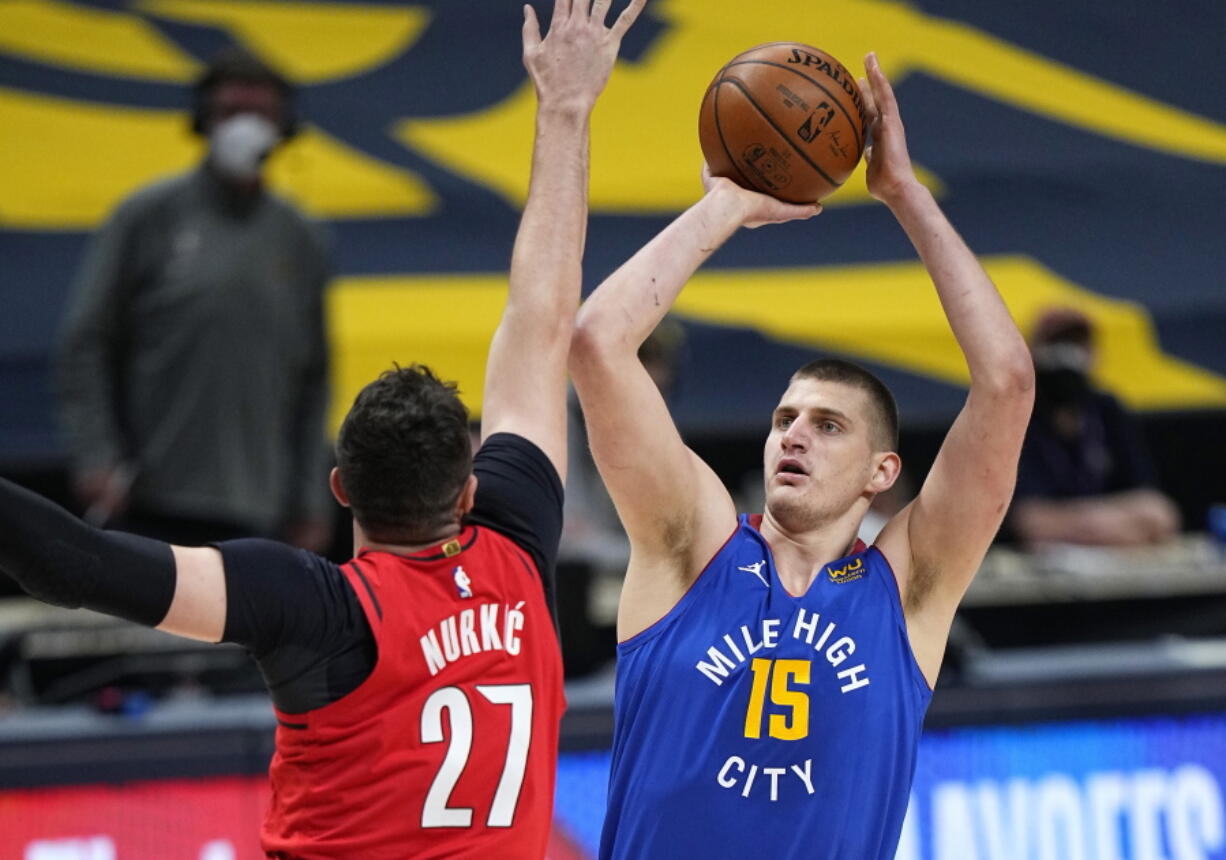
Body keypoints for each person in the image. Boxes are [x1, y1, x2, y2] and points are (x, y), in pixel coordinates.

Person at [2, 0, 644, 856]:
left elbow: (70, 561)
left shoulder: (317, 608)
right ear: (469, 486)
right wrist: (566, 111)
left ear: (341, 487)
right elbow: (542, 313)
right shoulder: (519, 545)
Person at [568, 53, 1035, 859]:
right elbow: (597, 342)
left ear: (880, 474)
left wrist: (905, 195)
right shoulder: (694, 546)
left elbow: (1006, 382)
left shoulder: (910, 588)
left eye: (826, 426)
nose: (792, 433)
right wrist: (726, 205)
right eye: (786, 417)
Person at [55, 46, 333, 550]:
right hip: (148, 495)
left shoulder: (301, 238)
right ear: (203, 120)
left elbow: (313, 376)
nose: (245, 127)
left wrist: (311, 498)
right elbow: (88, 342)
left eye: (260, 114)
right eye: (231, 113)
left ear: (283, 128)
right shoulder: (147, 216)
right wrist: (96, 455)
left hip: (261, 506)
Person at [1009, 306, 1180, 546]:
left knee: (1159, 512)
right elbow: (1026, 516)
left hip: (1101, 517)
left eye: (1076, 343)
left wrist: (1097, 521)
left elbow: (1147, 495)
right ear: (1035, 350)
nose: (1067, 354)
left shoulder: (1105, 408)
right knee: (1034, 522)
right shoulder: (1021, 412)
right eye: (1057, 343)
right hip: (1053, 524)